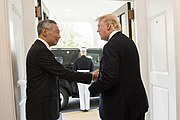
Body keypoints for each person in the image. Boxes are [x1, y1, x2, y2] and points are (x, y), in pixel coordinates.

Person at [26, 19, 97, 120]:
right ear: (45, 32)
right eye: (57, 32)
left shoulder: (40, 48)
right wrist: (91, 76)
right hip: (42, 108)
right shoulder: (40, 51)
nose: (59, 36)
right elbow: (63, 72)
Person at [89, 14, 149, 120]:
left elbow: (109, 78)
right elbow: (125, 69)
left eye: (99, 26)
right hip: (135, 103)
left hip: (120, 107)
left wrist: (92, 88)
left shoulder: (111, 46)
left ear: (108, 26)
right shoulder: (129, 42)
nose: (97, 30)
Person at [73, 47, 94, 112]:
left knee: (81, 93)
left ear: (80, 52)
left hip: (79, 76)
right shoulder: (89, 60)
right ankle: (87, 107)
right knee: (87, 92)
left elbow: (74, 69)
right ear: (86, 52)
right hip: (87, 75)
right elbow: (92, 69)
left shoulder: (76, 60)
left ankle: (82, 108)